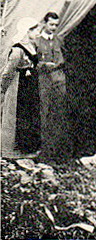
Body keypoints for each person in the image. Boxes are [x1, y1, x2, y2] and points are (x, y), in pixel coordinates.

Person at [1, 17, 41, 157]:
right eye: (35, 29)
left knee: (29, 114)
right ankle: (13, 149)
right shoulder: (17, 50)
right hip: (19, 85)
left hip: (30, 84)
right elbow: (8, 71)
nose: (37, 32)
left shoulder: (33, 46)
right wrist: (2, 88)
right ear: (27, 30)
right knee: (18, 114)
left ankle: (28, 148)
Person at [36, 12, 72, 161]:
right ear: (44, 23)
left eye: (56, 25)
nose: (53, 28)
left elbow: (65, 59)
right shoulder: (37, 41)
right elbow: (33, 61)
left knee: (59, 112)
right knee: (44, 112)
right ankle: (44, 149)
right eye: (51, 24)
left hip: (59, 79)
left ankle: (58, 150)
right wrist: (43, 65)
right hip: (44, 79)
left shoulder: (59, 40)